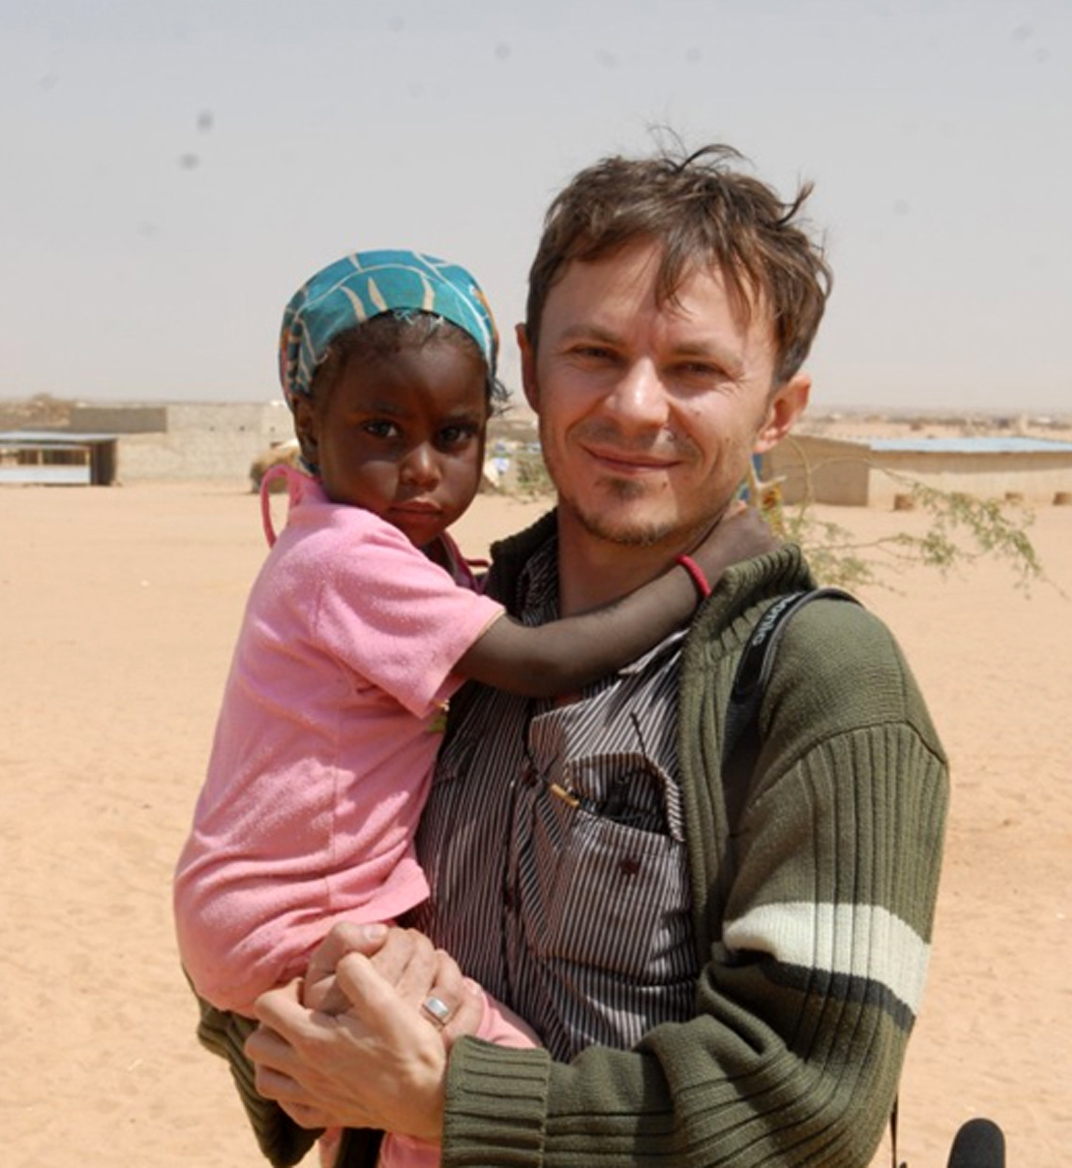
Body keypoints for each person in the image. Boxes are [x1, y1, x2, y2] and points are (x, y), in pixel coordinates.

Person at [246, 146, 950, 1168]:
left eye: (697, 369)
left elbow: (808, 1104)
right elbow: (295, 920)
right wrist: (302, 1016)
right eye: (596, 353)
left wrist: (451, 1100)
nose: (635, 406)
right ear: (530, 371)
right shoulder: (455, 632)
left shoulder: (823, 680)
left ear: (779, 410)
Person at [173, 249, 771, 1168]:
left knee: (384, 1093)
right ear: (307, 424)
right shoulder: (345, 558)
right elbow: (541, 659)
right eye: (382, 430)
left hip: (268, 906)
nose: (422, 469)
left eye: (453, 436)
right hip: (291, 915)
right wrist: (707, 567)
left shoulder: (391, 551)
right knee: (491, 1073)